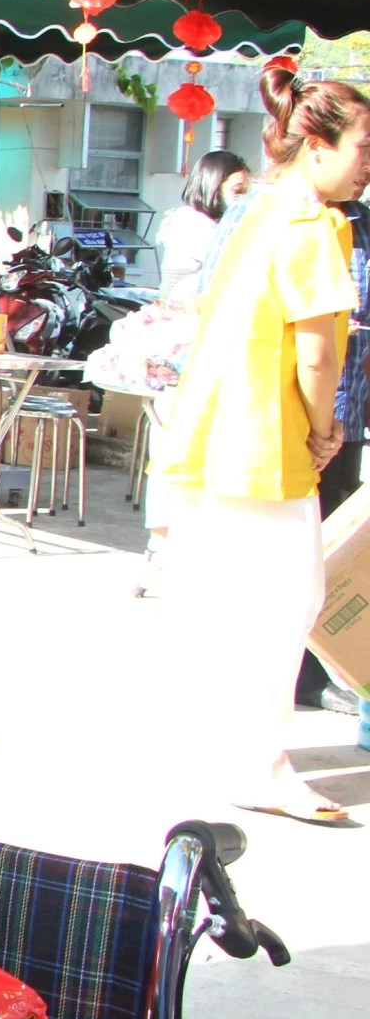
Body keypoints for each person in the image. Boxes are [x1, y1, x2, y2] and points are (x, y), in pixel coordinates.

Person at [153, 69, 370, 822]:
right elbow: (318, 354)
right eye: (363, 146)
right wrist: (323, 428)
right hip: (261, 439)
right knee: (284, 602)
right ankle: (260, 763)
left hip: (211, 429)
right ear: (317, 146)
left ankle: (232, 753)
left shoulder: (257, 208)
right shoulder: (312, 222)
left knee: (233, 602)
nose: (368, 163)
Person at [295, 184, 370, 712]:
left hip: (349, 414)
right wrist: (320, 426)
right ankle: (295, 677)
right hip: (300, 421)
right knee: (295, 554)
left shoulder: (360, 225)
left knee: (334, 551)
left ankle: (322, 666)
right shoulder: (292, 221)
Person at [156, 149, 251, 297]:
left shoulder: (207, 221)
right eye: (237, 191)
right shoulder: (192, 221)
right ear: (213, 185)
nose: (242, 198)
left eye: (246, 192)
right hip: (181, 311)